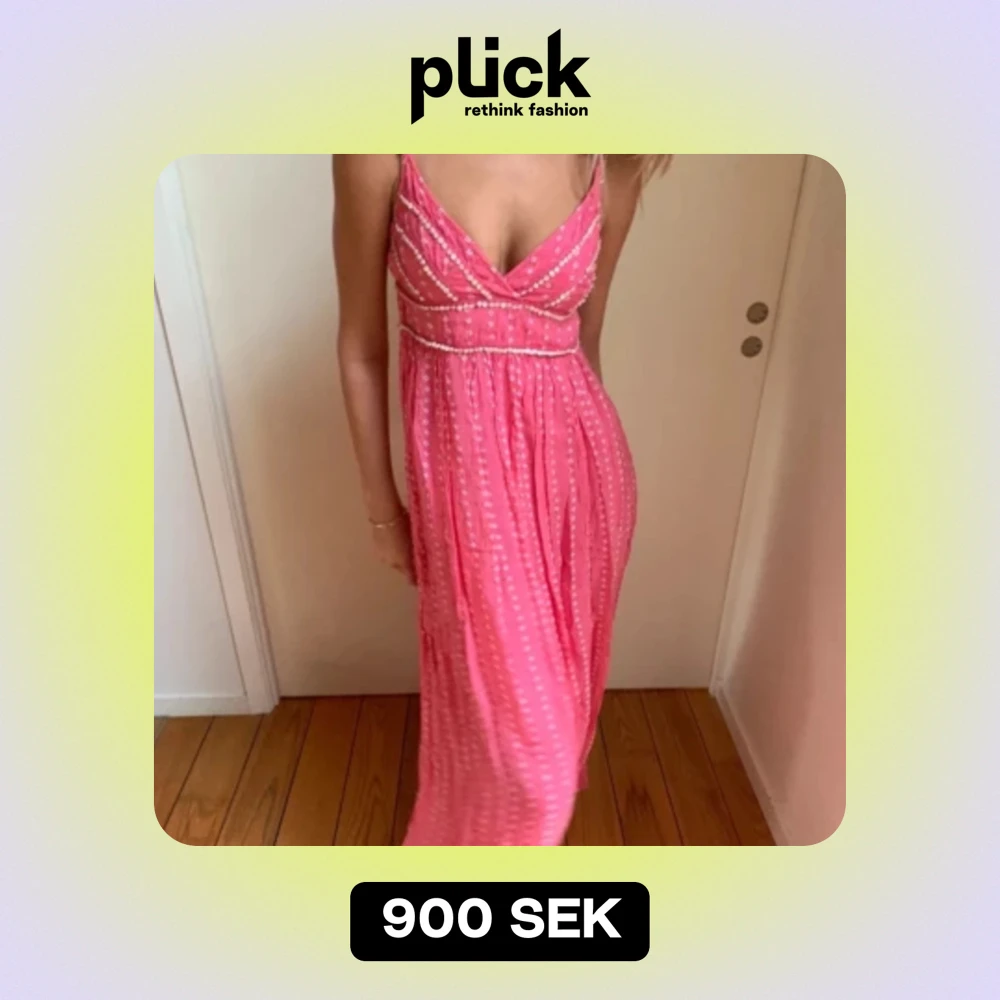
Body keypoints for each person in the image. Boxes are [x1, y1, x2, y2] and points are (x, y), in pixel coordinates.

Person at [333, 153, 670, 845]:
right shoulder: (380, 145)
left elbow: (586, 340)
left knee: (549, 740)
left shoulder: (612, 159)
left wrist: (576, 500)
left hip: (582, 482)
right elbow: (360, 347)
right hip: (467, 504)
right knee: (523, 757)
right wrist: (381, 511)